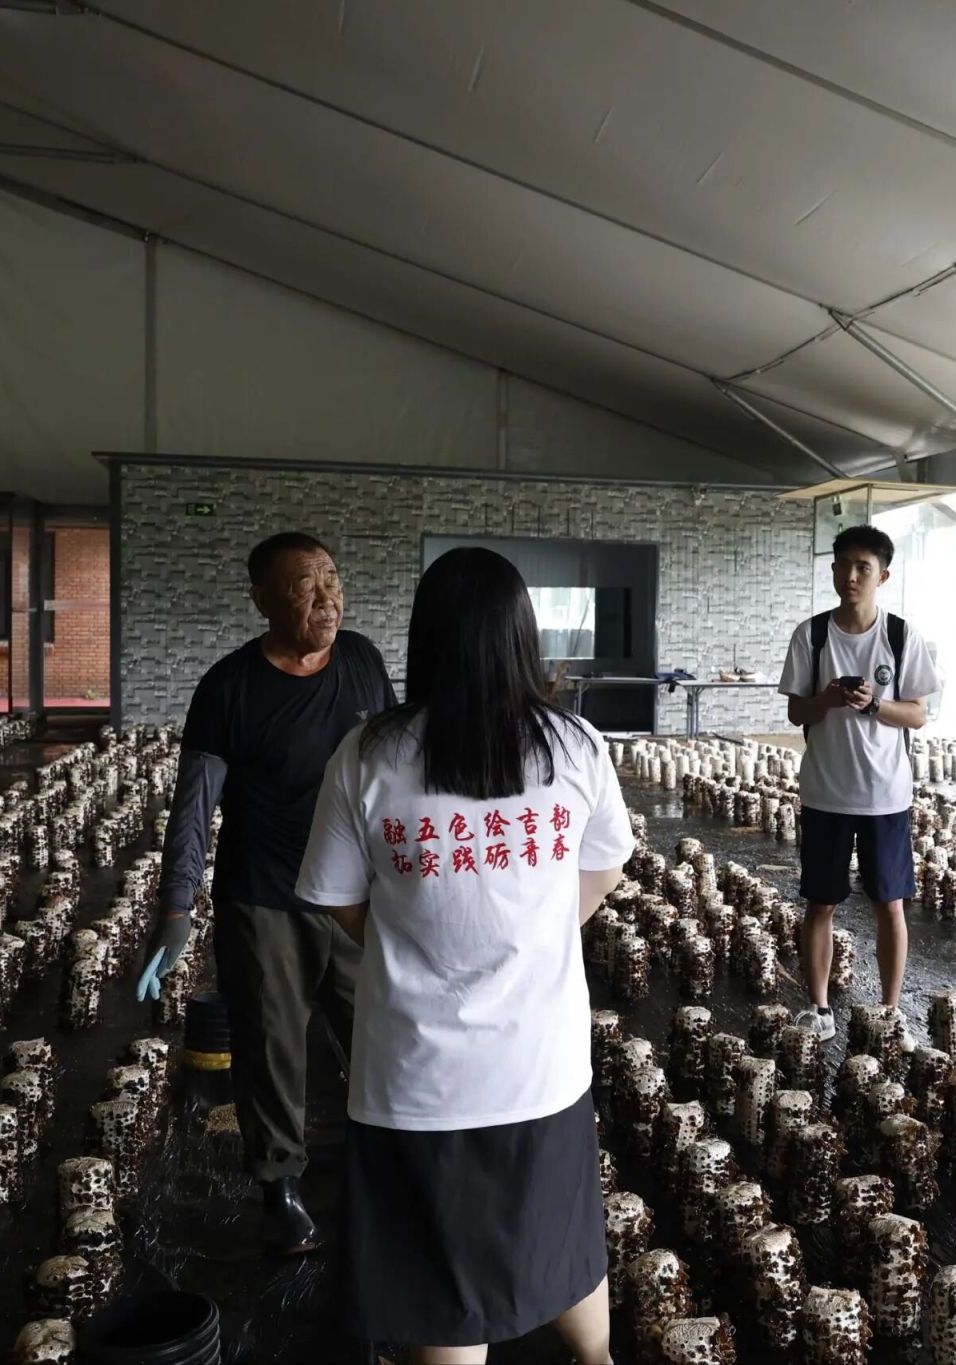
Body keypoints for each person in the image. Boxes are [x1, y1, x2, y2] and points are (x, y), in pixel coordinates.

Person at [294, 547, 627, 1365]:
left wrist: (417, 940)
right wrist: (536, 933)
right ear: (523, 636)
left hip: (419, 1080)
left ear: (426, 638)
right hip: (542, 1067)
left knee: (444, 1297)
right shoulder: (574, 746)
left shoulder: (368, 755)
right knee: (563, 1246)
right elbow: (606, 864)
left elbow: (338, 898)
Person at [135, 532, 395, 1253]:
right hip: (266, 896)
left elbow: (397, 768)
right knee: (272, 1046)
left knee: (382, 1033)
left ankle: (387, 1166)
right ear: (262, 600)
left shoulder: (363, 662)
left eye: (332, 579)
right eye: (303, 585)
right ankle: (280, 1186)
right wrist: (176, 910)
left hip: (356, 895)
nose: (326, 598)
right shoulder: (229, 688)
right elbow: (195, 807)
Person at [779, 524, 941, 1041]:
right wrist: (826, 700)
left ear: (882, 576)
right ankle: (819, 1008)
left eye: (863, 568)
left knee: (889, 904)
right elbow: (795, 711)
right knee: (820, 902)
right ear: (832, 570)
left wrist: (874, 704)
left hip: (885, 794)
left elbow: (917, 714)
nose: (851, 576)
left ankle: (890, 1013)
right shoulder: (812, 635)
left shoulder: (900, 636)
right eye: (843, 566)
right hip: (826, 791)